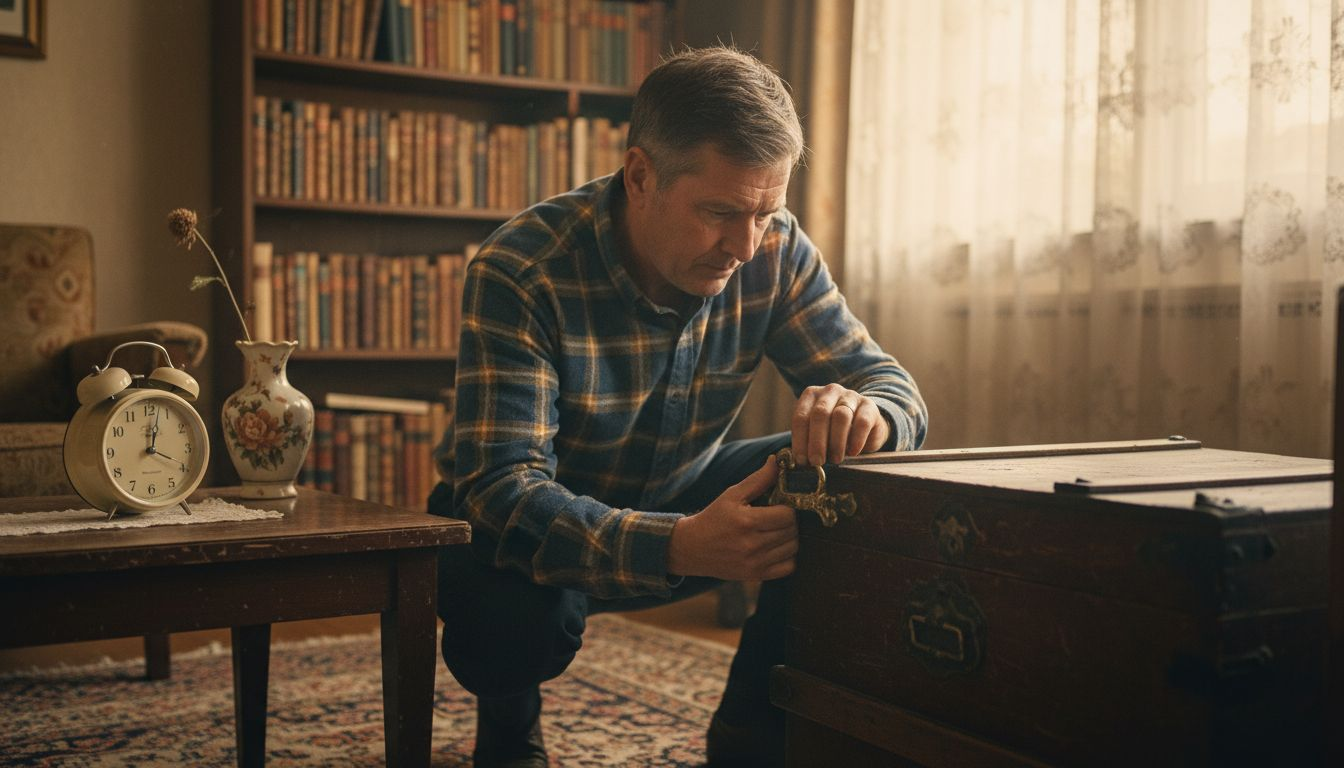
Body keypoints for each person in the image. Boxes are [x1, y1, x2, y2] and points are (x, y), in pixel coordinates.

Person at [429, 45, 927, 768]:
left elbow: (893, 389)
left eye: (766, 212)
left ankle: (749, 744)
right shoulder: (523, 269)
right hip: (521, 531)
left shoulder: (774, 248)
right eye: (720, 213)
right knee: (510, 632)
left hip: (682, 488)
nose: (746, 245)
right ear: (641, 176)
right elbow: (501, 490)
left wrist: (869, 414)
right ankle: (508, 734)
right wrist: (676, 545)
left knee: (851, 480)